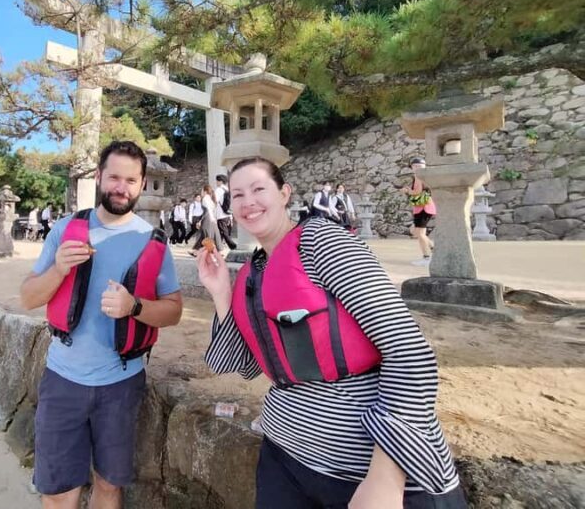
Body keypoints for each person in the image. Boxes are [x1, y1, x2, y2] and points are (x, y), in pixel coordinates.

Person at [195, 157, 465, 509]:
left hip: (365, 471)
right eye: (238, 194)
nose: (248, 202)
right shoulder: (254, 270)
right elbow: (244, 364)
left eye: (259, 189)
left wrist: (385, 479)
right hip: (285, 457)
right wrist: (220, 293)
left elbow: (410, 352)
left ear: (284, 194)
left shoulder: (324, 243)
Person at [20, 141, 183, 509]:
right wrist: (60, 268)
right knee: (59, 491)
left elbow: (173, 311)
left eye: (130, 180)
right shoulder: (66, 231)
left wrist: (134, 306)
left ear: (142, 184)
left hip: (121, 384)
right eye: (113, 177)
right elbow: (28, 297)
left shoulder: (152, 241)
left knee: (109, 486)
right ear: (98, 177)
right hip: (63, 379)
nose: (121, 187)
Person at [401, 158, 436, 267]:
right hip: (426, 206)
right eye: (415, 166)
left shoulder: (419, 176)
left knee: (420, 234)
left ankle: (427, 258)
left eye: (419, 166)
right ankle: (434, 249)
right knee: (416, 232)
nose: (417, 168)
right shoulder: (426, 176)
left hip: (423, 207)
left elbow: (417, 192)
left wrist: (407, 191)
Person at [189, 185, 222, 256]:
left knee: (205, 234)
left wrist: (201, 221)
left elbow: (207, 211)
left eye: (201, 190)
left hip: (208, 218)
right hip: (211, 218)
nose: (201, 192)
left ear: (205, 191)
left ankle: (201, 251)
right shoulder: (211, 199)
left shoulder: (205, 199)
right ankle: (197, 251)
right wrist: (214, 218)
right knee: (210, 234)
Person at [214, 174, 237, 250]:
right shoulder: (227, 189)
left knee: (224, 233)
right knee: (221, 233)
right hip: (228, 213)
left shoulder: (218, 190)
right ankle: (217, 249)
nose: (216, 182)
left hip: (221, 215)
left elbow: (214, 202)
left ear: (220, 181)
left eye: (217, 181)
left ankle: (233, 246)